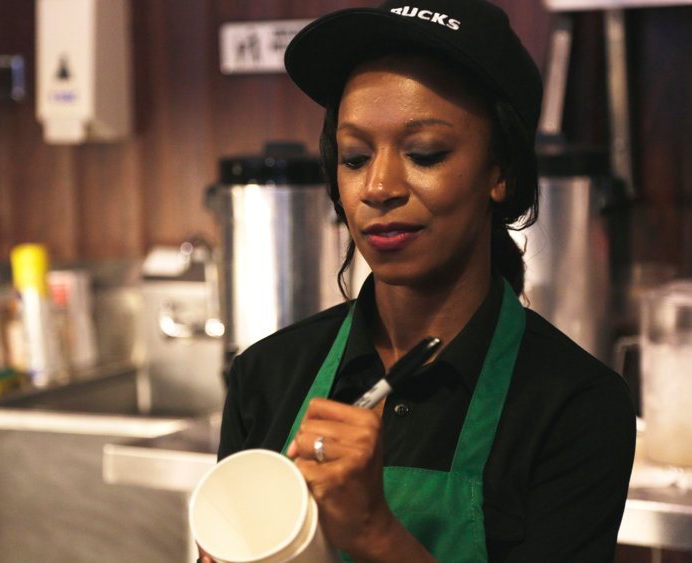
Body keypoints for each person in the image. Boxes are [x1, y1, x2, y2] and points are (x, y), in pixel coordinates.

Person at [215, 0, 637, 561]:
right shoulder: (264, 377)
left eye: (425, 153)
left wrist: (372, 530)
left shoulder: (575, 406)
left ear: (500, 171)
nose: (379, 187)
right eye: (355, 156)